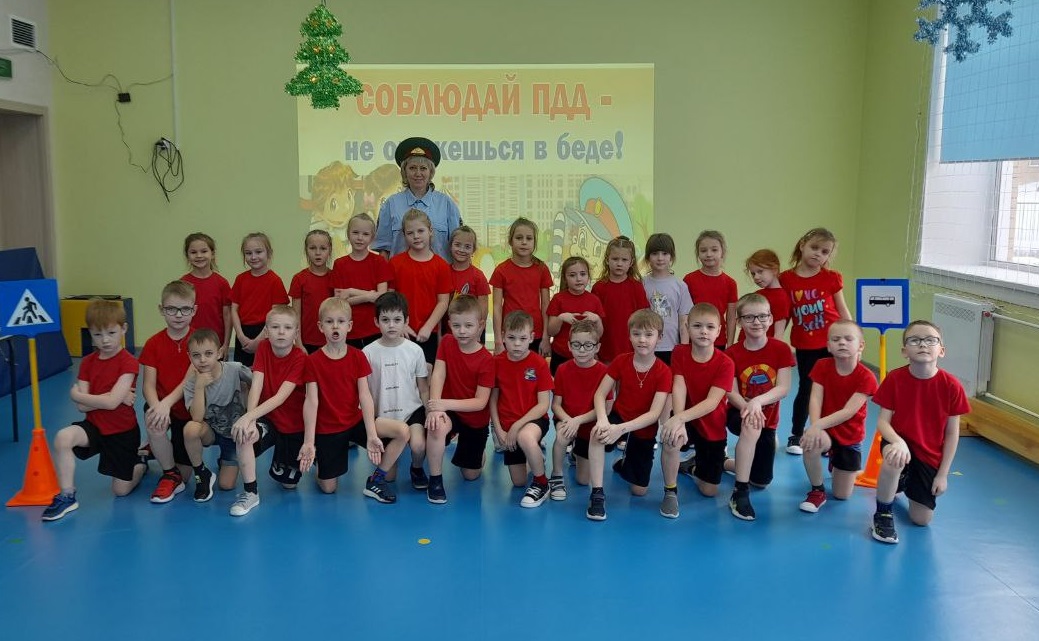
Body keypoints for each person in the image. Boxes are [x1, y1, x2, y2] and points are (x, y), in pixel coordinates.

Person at [42, 300, 147, 521]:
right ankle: (67, 495)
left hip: (122, 432)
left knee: (120, 491)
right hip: (95, 427)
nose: (105, 340)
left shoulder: (128, 362)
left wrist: (76, 395)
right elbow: (84, 407)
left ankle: (140, 463)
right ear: (90, 333)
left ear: (124, 329)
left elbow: (108, 403)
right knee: (63, 437)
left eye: (111, 333)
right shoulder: (88, 362)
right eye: (98, 334)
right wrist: (109, 397)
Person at [300, 297, 409, 502]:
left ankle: (376, 479)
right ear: (321, 326)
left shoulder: (358, 356)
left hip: (354, 421)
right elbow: (311, 402)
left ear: (349, 326)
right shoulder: (312, 361)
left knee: (402, 431)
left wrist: (371, 434)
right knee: (329, 488)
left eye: (341, 321)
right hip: (328, 429)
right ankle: (320, 461)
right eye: (329, 321)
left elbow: (365, 395)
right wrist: (309, 442)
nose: (335, 326)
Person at [869, 320, 969, 544]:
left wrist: (942, 474)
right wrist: (898, 442)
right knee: (894, 458)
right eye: (914, 340)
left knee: (921, 520)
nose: (923, 344)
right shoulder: (895, 379)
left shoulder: (952, 386)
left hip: (929, 454)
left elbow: (952, 434)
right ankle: (883, 514)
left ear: (941, 350)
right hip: (898, 441)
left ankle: (902, 482)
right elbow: (883, 422)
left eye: (931, 340)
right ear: (904, 351)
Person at [587, 309, 672, 521]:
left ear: (660, 338)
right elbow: (600, 394)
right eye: (636, 334)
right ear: (629, 336)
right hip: (620, 415)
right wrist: (603, 420)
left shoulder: (664, 371)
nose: (642, 340)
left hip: (644, 426)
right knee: (596, 434)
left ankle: (625, 462)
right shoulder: (621, 361)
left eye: (649, 335)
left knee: (639, 491)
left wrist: (620, 430)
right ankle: (597, 494)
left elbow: (654, 414)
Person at [778, 227, 852, 455]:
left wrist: (853, 338)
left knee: (832, 391)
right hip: (806, 345)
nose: (818, 254)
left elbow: (842, 311)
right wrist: (776, 342)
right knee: (807, 388)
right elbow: (784, 314)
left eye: (824, 251)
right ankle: (796, 434)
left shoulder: (831, 278)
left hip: (833, 343)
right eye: (814, 248)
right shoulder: (786, 279)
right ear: (802, 245)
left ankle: (827, 437)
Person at [658, 303, 734, 519]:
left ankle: (692, 466)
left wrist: (680, 417)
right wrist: (678, 420)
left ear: (719, 331)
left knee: (709, 491)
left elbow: (712, 402)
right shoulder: (680, 352)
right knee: (671, 438)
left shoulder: (726, 363)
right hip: (686, 416)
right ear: (687, 327)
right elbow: (679, 386)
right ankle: (670, 490)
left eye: (710, 327)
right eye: (697, 326)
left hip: (712, 424)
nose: (703, 331)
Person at [724, 293, 795, 521]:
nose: (757, 322)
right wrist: (748, 407)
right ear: (740, 321)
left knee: (761, 481)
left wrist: (757, 401)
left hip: (768, 419)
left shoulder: (781, 349)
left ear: (771, 318)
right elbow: (731, 392)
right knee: (751, 424)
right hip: (738, 412)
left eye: (762, 316)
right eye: (749, 317)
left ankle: (721, 462)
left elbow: (783, 388)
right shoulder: (732, 353)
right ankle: (739, 492)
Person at [798, 320, 878, 513]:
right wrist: (815, 427)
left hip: (850, 436)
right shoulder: (822, 365)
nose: (842, 342)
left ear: (861, 345)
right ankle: (817, 490)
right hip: (826, 429)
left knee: (842, 495)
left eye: (848, 339)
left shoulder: (866, 377)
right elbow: (815, 399)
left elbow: (848, 411)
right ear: (828, 345)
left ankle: (836, 461)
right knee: (810, 443)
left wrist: (816, 426)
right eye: (836, 339)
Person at [424, 295, 495, 504]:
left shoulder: (487, 360)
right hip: (450, 410)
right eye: (456, 326)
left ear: (480, 326)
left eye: (468, 325)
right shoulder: (447, 342)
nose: (462, 331)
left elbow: (480, 402)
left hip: (474, 419)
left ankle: (477, 453)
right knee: (436, 425)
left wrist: (443, 403)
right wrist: (435, 408)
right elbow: (438, 374)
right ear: (449, 325)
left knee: (470, 475)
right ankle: (435, 480)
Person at [231, 305, 308, 496]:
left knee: (289, 485)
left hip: (292, 426)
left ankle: (314, 454)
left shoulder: (300, 358)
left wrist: (247, 417)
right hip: (269, 419)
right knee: (245, 436)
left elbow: (280, 398)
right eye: (275, 327)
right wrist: (250, 419)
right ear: (266, 331)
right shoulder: (264, 348)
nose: (281, 332)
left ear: (296, 333)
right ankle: (250, 492)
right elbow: (256, 386)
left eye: (287, 328)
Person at [180, 328, 255, 512]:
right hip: (211, 432)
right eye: (196, 355)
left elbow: (258, 383)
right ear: (189, 357)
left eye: (208, 354)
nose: (203, 360)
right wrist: (199, 387)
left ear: (220, 353)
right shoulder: (191, 383)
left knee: (226, 485)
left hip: (233, 435)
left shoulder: (235, 369)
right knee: (190, 429)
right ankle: (201, 473)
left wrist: (249, 398)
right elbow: (197, 418)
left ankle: (225, 461)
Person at [363, 292, 430, 491]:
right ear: (376, 322)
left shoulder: (415, 350)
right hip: (383, 417)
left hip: (411, 412)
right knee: (390, 478)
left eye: (397, 320)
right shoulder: (367, 353)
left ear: (406, 321)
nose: (391, 325)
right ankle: (386, 464)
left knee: (418, 445)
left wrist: (429, 411)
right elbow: (364, 392)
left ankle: (417, 468)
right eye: (385, 320)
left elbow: (423, 387)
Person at [490, 310, 554, 508]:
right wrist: (499, 430)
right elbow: (493, 400)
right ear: (503, 336)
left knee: (525, 437)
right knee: (518, 482)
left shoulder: (539, 363)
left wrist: (517, 426)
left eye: (522, 338)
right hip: (507, 425)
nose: (517, 344)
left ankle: (542, 483)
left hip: (533, 420)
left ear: (531, 338)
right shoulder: (497, 362)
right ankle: (534, 455)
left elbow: (543, 405)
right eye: (511, 338)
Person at [140, 280, 196, 504]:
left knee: (186, 476)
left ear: (194, 310)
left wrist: (166, 404)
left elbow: (188, 381)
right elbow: (148, 385)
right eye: (172, 309)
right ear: (161, 310)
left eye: (185, 309)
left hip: (189, 410)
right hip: (162, 406)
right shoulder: (153, 343)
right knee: (152, 417)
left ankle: (159, 449)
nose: (179, 315)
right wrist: (157, 407)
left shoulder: (199, 341)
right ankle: (168, 472)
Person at [548, 319, 609, 501]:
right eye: (576, 344)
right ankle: (557, 475)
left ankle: (576, 453)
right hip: (566, 419)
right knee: (562, 435)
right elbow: (555, 405)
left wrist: (578, 421)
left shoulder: (604, 372)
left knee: (583, 480)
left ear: (597, 347)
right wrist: (569, 420)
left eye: (588, 345)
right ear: (569, 346)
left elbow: (605, 409)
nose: (582, 350)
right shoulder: (562, 369)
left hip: (589, 424)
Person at [373, 136, 461, 261]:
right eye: (412, 168)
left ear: (431, 172)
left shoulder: (446, 204)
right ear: (404, 171)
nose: (418, 173)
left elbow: (458, 247)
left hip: (439, 273)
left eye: (423, 168)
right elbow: (384, 251)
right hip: (400, 273)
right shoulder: (391, 204)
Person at [388, 209, 453, 367]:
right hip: (400, 331)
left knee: (426, 375)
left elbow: (443, 302)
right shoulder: (395, 263)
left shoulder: (441, 266)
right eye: (410, 233)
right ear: (404, 235)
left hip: (428, 333)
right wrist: (400, 325)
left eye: (420, 231)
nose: (416, 236)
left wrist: (428, 327)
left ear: (430, 231)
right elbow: (390, 298)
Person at [490, 217, 554, 357]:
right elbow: (496, 307)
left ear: (534, 242)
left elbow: (546, 306)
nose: (524, 242)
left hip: (535, 333)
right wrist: (498, 341)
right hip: (510, 333)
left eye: (529, 238)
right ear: (510, 241)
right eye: (519, 238)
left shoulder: (542, 269)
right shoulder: (501, 270)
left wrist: (546, 337)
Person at [332, 213, 392, 350]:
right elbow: (339, 301)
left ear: (372, 237)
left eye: (365, 234)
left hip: (375, 328)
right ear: (348, 234)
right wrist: (368, 296)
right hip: (348, 329)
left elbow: (381, 297)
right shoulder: (340, 264)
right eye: (355, 233)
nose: (360, 238)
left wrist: (351, 291)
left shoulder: (379, 262)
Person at [231, 232, 288, 367]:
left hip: (265, 332)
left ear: (269, 253)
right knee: (242, 373)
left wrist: (258, 341)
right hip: (243, 333)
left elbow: (275, 316)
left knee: (263, 371)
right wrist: (240, 335)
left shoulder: (275, 281)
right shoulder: (240, 279)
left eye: (258, 252)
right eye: (248, 253)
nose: (253, 257)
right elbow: (233, 309)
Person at [591, 236, 650, 364]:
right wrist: (593, 349)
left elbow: (644, 320)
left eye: (624, 260)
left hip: (632, 352)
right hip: (604, 352)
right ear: (607, 260)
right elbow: (593, 323)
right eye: (615, 259)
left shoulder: (637, 287)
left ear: (631, 262)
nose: (619, 263)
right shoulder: (599, 288)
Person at [547, 255, 605, 376]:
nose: (578, 279)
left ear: (588, 276)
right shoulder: (558, 299)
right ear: (565, 278)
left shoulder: (594, 300)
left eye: (583, 274)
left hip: (586, 355)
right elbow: (551, 331)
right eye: (572, 275)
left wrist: (597, 319)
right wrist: (561, 318)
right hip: (561, 354)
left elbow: (599, 334)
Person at [643, 233, 693, 366]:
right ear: (648, 257)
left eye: (664, 253)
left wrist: (684, 349)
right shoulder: (641, 284)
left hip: (671, 347)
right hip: (646, 346)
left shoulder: (680, 286)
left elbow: (684, 321)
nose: (660, 258)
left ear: (672, 256)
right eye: (655, 254)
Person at [683, 230, 739, 349]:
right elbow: (684, 314)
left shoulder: (730, 283)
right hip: (694, 340)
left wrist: (730, 345)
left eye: (714, 250)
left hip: (718, 341)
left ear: (722, 252)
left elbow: (731, 318)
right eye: (703, 250)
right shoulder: (689, 279)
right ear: (698, 253)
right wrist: (685, 342)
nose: (708, 254)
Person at [181, 232, 232, 357]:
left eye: (204, 251)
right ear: (187, 256)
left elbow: (227, 316)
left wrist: (226, 344)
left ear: (212, 254)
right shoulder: (183, 284)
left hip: (216, 343)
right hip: (191, 343)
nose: (199, 256)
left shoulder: (222, 283)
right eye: (193, 252)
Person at [289, 229, 334, 353]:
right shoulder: (299, 279)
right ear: (306, 250)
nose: (318, 253)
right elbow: (296, 315)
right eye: (313, 248)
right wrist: (298, 343)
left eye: (323, 248)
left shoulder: (335, 277)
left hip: (331, 340)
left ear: (330, 250)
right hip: (307, 343)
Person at [446, 225, 490, 336]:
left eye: (467, 246)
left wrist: (479, 332)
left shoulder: (478, 276)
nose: (462, 250)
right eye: (457, 245)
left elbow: (483, 308)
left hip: (472, 333)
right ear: (450, 246)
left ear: (473, 250)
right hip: (449, 332)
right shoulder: (444, 273)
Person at [743, 249, 790, 340]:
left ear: (774, 269)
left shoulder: (781, 298)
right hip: (746, 343)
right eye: (753, 274)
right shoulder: (757, 294)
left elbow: (778, 335)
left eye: (760, 271)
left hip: (763, 346)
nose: (756, 277)